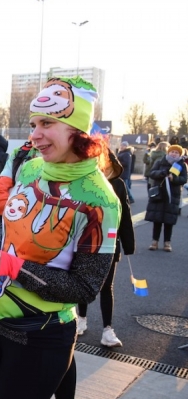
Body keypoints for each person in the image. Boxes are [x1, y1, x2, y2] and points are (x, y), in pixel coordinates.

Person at [0, 76, 119, 399]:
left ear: (78, 130)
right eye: (33, 124)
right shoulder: (31, 169)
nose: (34, 135)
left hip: (41, 337)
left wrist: (11, 266)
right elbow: (14, 239)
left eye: (46, 124)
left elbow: (85, 287)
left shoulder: (100, 199)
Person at [78, 149, 135, 347]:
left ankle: (107, 330)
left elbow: (125, 215)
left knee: (107, 286)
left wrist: (128, 245)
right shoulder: (84, 182)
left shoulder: (118, 184)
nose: (102, 168)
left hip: (110, 244)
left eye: (105, 164)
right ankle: (81, 319)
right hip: (85, 242)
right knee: (81, 281)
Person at [145, 144, 187, 252]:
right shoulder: (160, 161)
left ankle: (167, 243)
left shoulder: (181, 165)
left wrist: (174, 179)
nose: (174, 154)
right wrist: (162, 173)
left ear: (180, 154)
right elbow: (152, 173)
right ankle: (154, 242)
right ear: (168, 152)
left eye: (176, 152)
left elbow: (184, 179)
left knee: (169, 221)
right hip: (159, 194)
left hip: (172, 195)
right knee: (157, 219)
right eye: (172, 152)